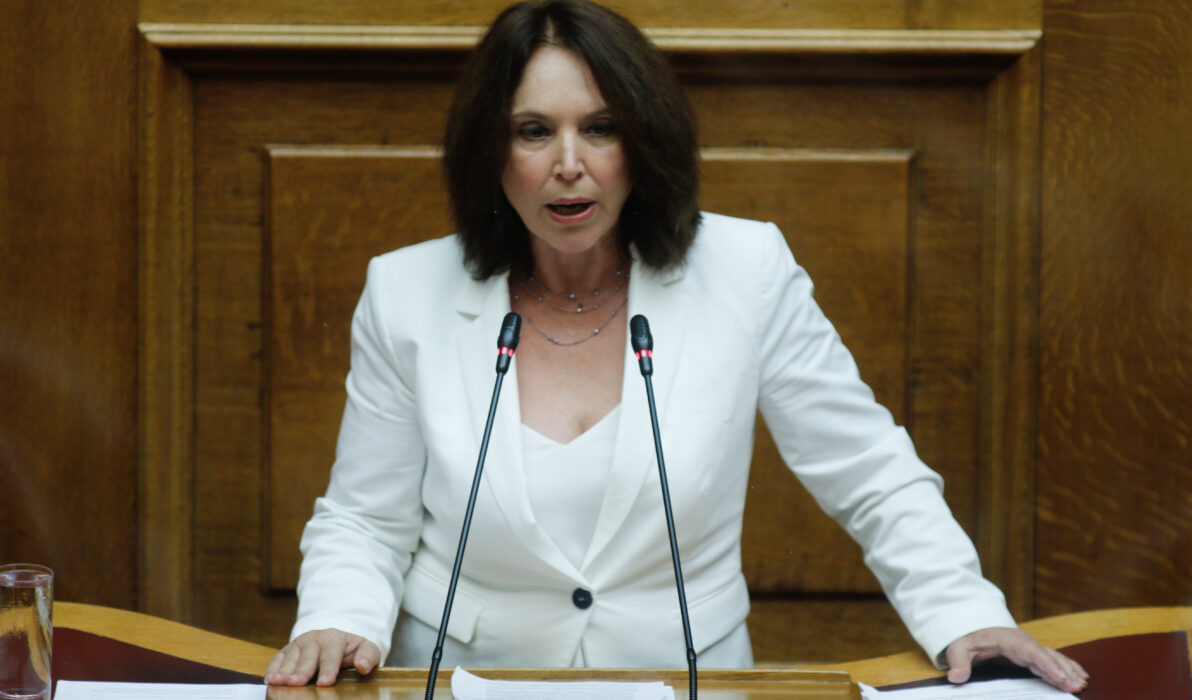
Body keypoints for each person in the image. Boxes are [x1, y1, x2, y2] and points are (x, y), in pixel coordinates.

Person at [264, 0, 1089, 693]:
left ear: (643, 141)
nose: (569, 164)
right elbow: (365, 517)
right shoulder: (406, 290)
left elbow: (868, 469)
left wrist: (965, 613)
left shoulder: (746, 270)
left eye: (600, 128)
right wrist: (337, 620)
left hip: (690, 679)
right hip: (466, 680)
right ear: (490, 150)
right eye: (533, 131)